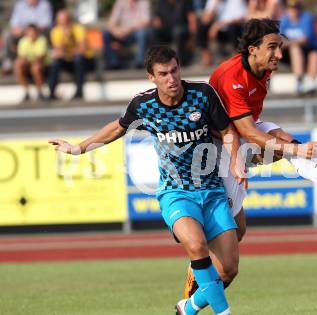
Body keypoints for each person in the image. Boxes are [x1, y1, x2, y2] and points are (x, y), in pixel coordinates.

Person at [49, 46, 247, 315]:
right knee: (197, 246)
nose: (171, 78)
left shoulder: (202, 94)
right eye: (163, 74)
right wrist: (78, 148)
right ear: (151, 77)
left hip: (212, 190)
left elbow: (227, 131)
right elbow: (117, 128)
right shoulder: (144, 105)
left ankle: (188, 307)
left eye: (175, 70)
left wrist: (236, 159)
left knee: (229, 269)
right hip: (176, 192)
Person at [184, 17, 317, 299]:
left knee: (286, 139)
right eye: (273, 47)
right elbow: (248, 132)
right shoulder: (232, 77)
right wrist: (294, 150)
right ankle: (191, 297)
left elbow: (252, 127)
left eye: (280, 47)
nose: (279, 54)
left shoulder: (262, 68)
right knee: (229, 240)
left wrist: (287, 147)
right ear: (252, 49)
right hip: (220, 149)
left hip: (242, 134)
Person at [48, 9, 94, 100]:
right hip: (69, 60)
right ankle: (51, 93)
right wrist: (65, 37)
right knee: (55, 63)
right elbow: (58, 52)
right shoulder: (55, 31)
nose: (64, 24)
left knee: (78, 59)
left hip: (86, 61)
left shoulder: (78, 28)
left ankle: (79, 92)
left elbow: (82, 49)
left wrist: (67, 51)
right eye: (61, 22)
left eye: (65, 21)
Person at [280, 0, 317, 95]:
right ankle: (299, 80)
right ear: (288, 9)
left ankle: (312, 82)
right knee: (295, 49)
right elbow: (279, 39)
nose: (294, 10)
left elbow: (305, 39)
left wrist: (288, 42)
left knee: (314, 53)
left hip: (309, 49)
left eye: (296, 8)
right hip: (291, 53)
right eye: (291, 8)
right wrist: (291, 43)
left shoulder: (307, 18)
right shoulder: (284, 20)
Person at [3, 0, 53, 74]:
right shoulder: (19, 5)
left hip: (39, 32)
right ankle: (9, 60)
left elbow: (46, 23)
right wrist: (25, 31)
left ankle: (47, 60)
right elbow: (14, 23)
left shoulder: (45, 4)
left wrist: (32, 31)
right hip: (23, 32)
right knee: (8, 35)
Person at [102, 0, 151, 69]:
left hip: (134, 33)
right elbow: (111, 23)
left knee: (142, 33)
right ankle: (112, 63)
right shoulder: (120, 2)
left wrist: (128, 29)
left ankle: (139, 62)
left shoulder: (144, 2)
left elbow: (146, 21)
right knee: (106, 34)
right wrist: (116, 31)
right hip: (121, 33)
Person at [152, 0, 197, 66]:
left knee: (177, 32)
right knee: (154, 32)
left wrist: (192, 37)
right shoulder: (162, 2)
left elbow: (192, 19)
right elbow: (157, 19)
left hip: (183, 30)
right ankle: (159, 60)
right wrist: (156, 22)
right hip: (167, 30)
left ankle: (178, 62)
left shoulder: (186, 2)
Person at [14, 24, 49, 102]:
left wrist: (29, 60)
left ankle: (40, 92)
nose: (32, 33)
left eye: (33, 31)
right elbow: (22, 57)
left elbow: (40, 57)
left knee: (36, 67)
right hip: (28, 64)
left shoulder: (42, 40)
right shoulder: (23, 41)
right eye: (29, 31)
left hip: (42, 65)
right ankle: (26, 91)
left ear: (37, 32)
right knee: (18, 65)